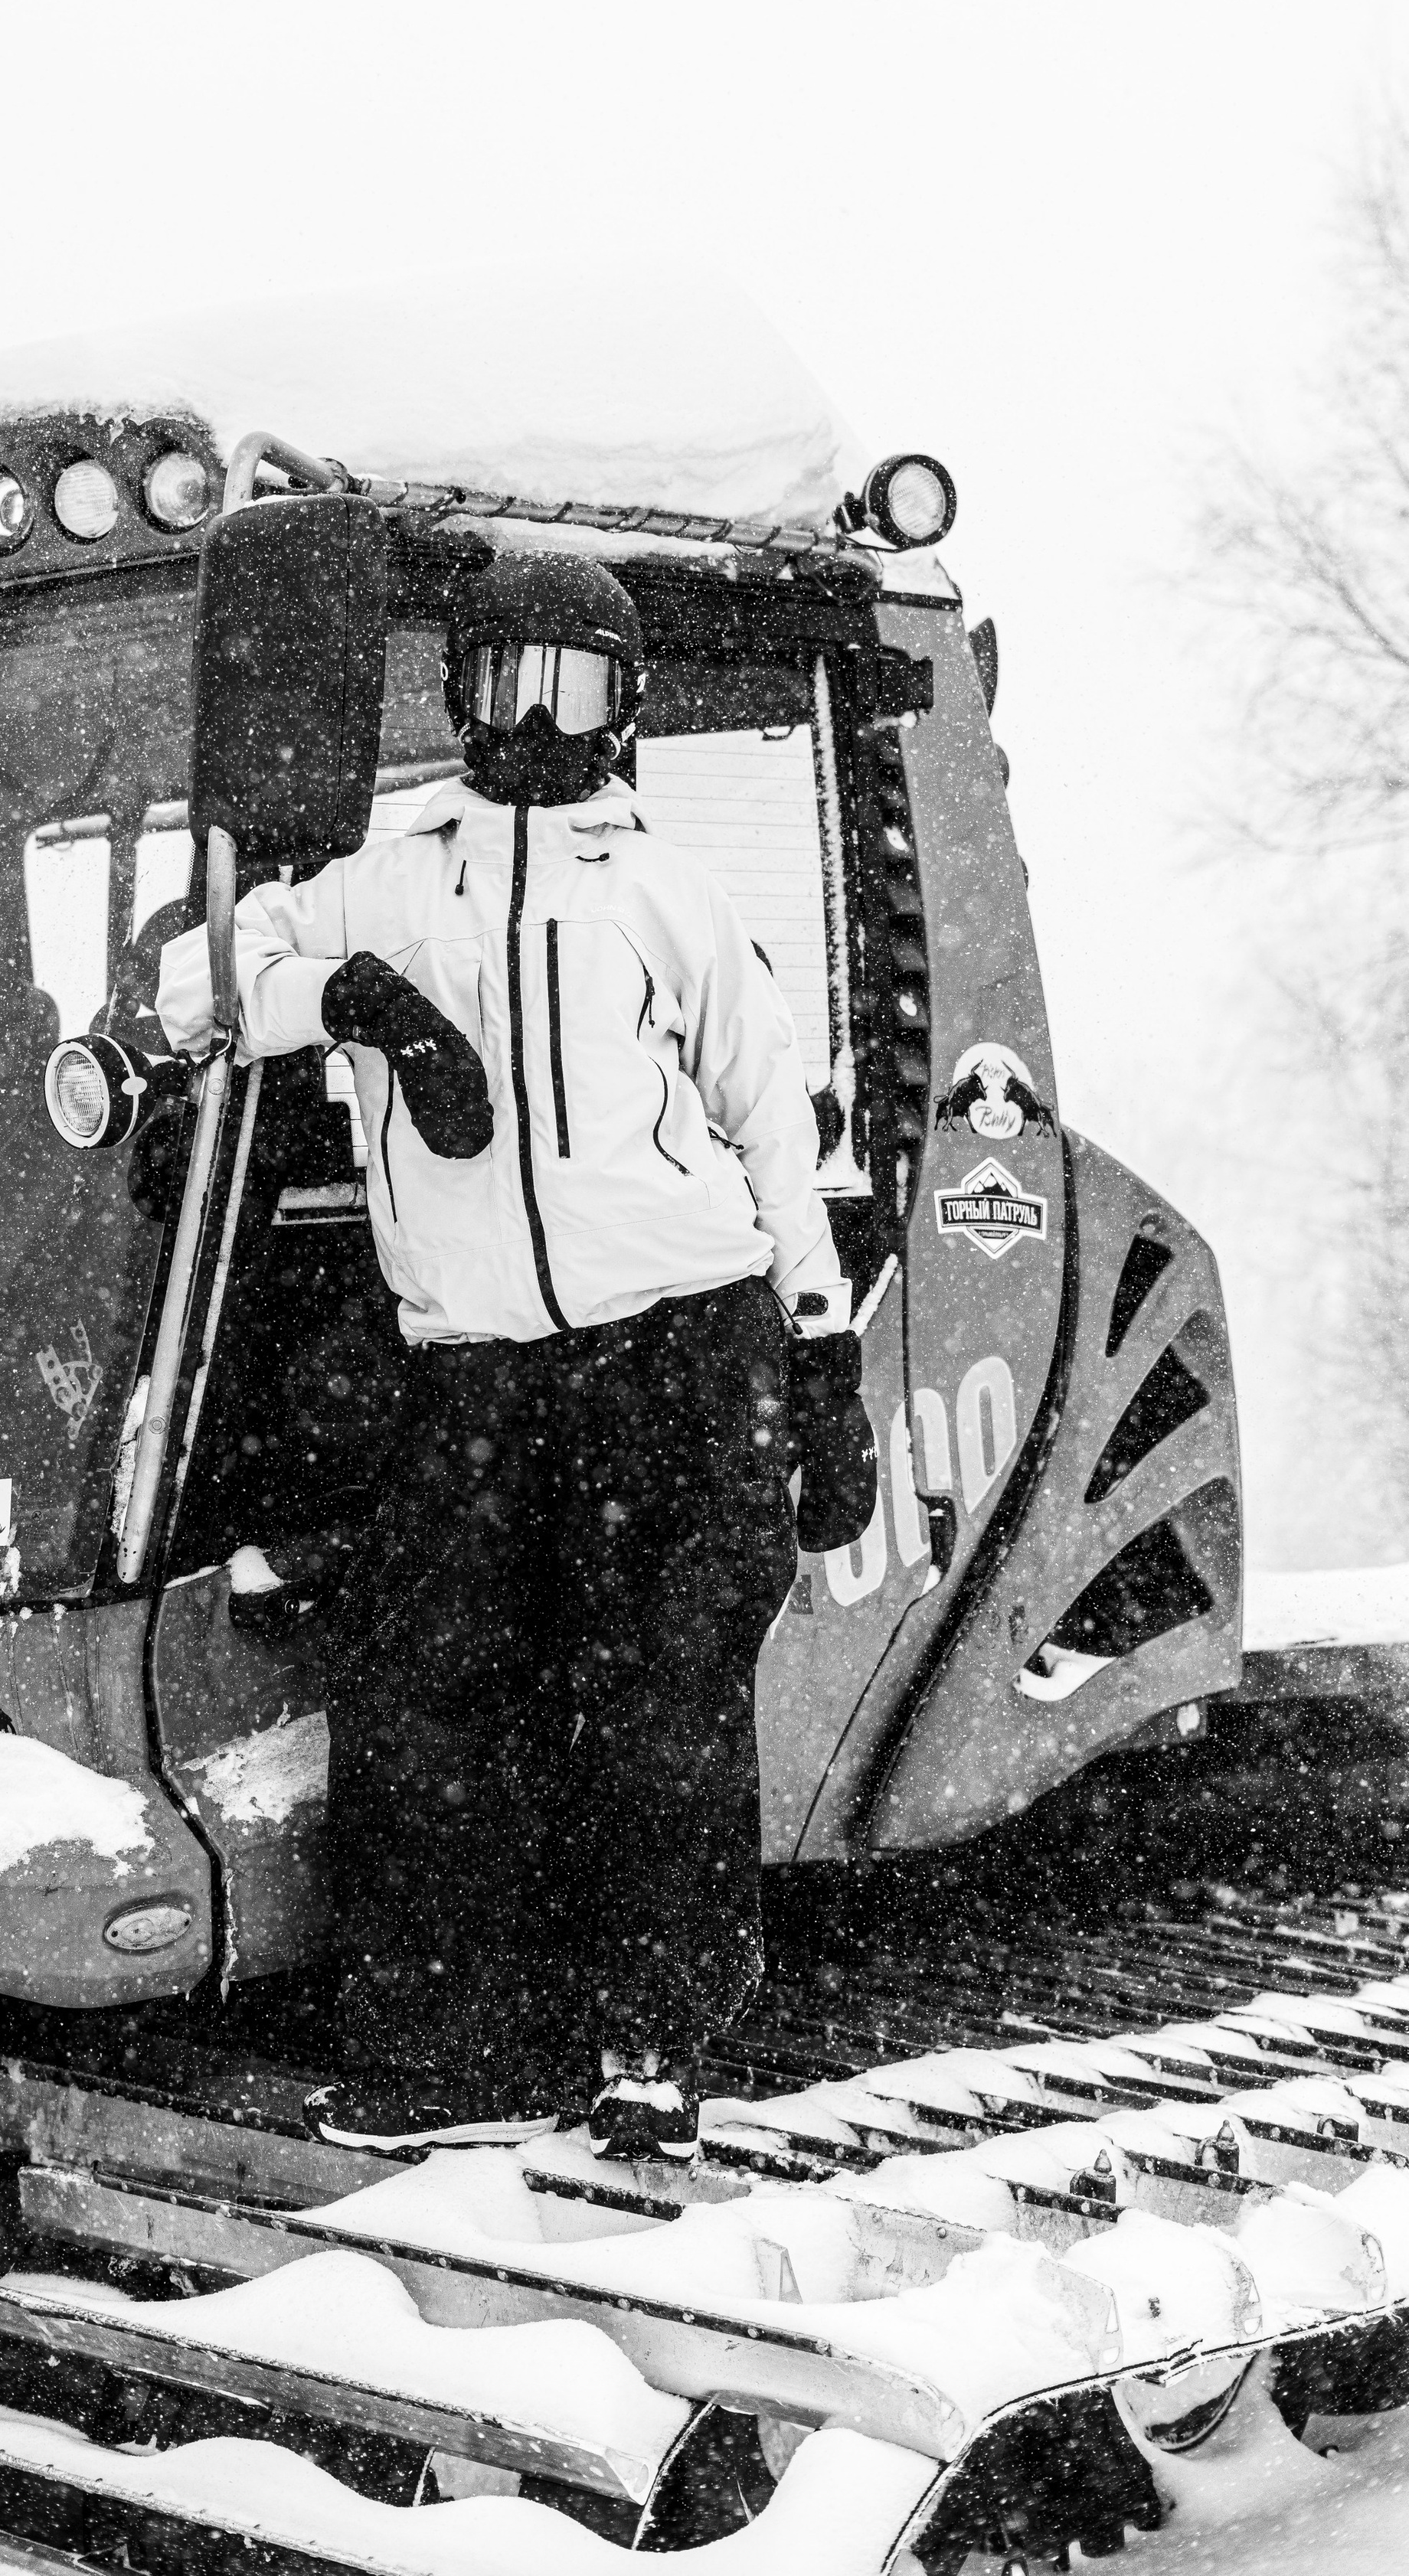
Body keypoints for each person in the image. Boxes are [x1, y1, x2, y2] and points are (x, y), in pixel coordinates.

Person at [158, 548, 872, 2160]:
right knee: (427, 1697)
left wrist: (817, 1357)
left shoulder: (662, 894)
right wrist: (362, 1006)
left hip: (677, 1345)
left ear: (623, 711)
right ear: (457, 693)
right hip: (476, 1369)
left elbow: (773, 1130)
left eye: (574, 689)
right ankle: (443, 2048)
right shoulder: (392, 877)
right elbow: (197, 978)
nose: (536, 723)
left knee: (655, 1700)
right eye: (506, 684)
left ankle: (645, 2043)